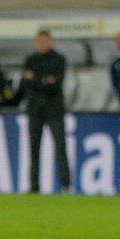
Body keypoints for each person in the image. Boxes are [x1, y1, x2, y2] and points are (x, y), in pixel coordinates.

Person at [22, 29, 71, 193]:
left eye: (45, 41)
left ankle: (66, 185)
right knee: (33, 149)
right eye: (39, 41)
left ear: (50, 41)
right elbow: (26, 83)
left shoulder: (59, 59)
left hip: (54, 110)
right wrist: (45, 80)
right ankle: (34, 186)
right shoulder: (30, 60)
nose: (42, 44)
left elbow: (56, 85)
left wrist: (35, 79)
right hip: (35, 110)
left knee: (60, 147)